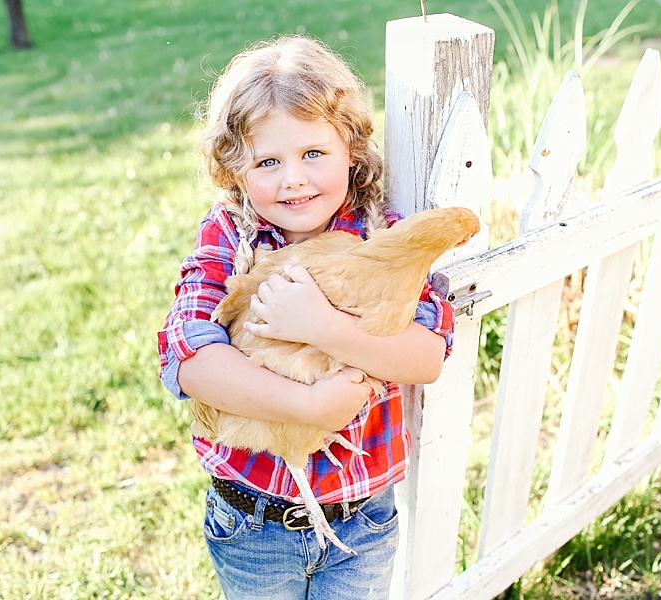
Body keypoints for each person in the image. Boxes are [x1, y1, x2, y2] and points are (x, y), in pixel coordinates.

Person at [157, 35, 455, 599]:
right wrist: (311, 406)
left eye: (313, 153)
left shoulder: (382, 237)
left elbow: (428, 355)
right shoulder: (232, 237)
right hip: (254, 521)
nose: (293, 178)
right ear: (235, 170)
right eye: (268, 162)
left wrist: (323, 327)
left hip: (364, 520)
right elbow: (188, 360)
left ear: (351, 150)